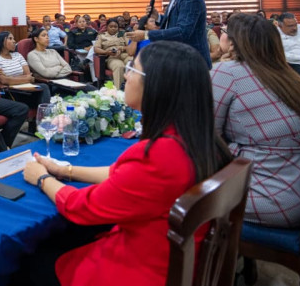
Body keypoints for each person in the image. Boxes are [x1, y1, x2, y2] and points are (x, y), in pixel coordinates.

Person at [19, 41, 231, 286]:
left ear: (157, 87)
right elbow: (121, 176)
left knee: (29, 260)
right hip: (173, 256)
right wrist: (64, 170)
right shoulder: (200, 138)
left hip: (139, 268)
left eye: (133, 69)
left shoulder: (160, 155)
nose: (127, 75)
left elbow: (81, 207)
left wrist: (42, 179)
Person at [212, 13, 300, 227]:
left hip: (273, 198)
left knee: (179, 198)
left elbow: (207, 136)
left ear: (232, 43)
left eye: (225, 32)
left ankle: (211, 258)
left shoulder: (228, 73)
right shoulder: (290, 76)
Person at [130, 0, 211, 67]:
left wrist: (146, 34)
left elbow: (182, 32)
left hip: (191, 63)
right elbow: (174, 23)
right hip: (180, 59)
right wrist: (158, 17)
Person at [0, 31, 51, 109]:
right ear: (1, 41)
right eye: (10, 38)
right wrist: (24, 78)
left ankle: (45, 115)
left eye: (14, 39)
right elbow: (3, 80)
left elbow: (29, 76)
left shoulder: (17, 55)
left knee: (44, 86)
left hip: (27, 88)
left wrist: (9, 78)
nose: (14, 41)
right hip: (11, 91)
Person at [93, 18, 131, 88]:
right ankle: (119, 91)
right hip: (111, 57)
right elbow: (96, 49)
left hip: (124, 54)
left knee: (133, 62)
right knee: (119, 66)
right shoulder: (102, 36)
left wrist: (121, 48)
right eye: (111, 27)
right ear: (107, 27)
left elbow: (130, 46)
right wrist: (106, 52)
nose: (113, 28)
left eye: (115, 27)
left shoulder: (122, 34)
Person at [277, 12, 300, 81]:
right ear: (280, 26)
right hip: (296, 62)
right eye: (290, 26)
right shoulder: (275, 35)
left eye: (295, 25)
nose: (294, 28)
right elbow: (280, 54)